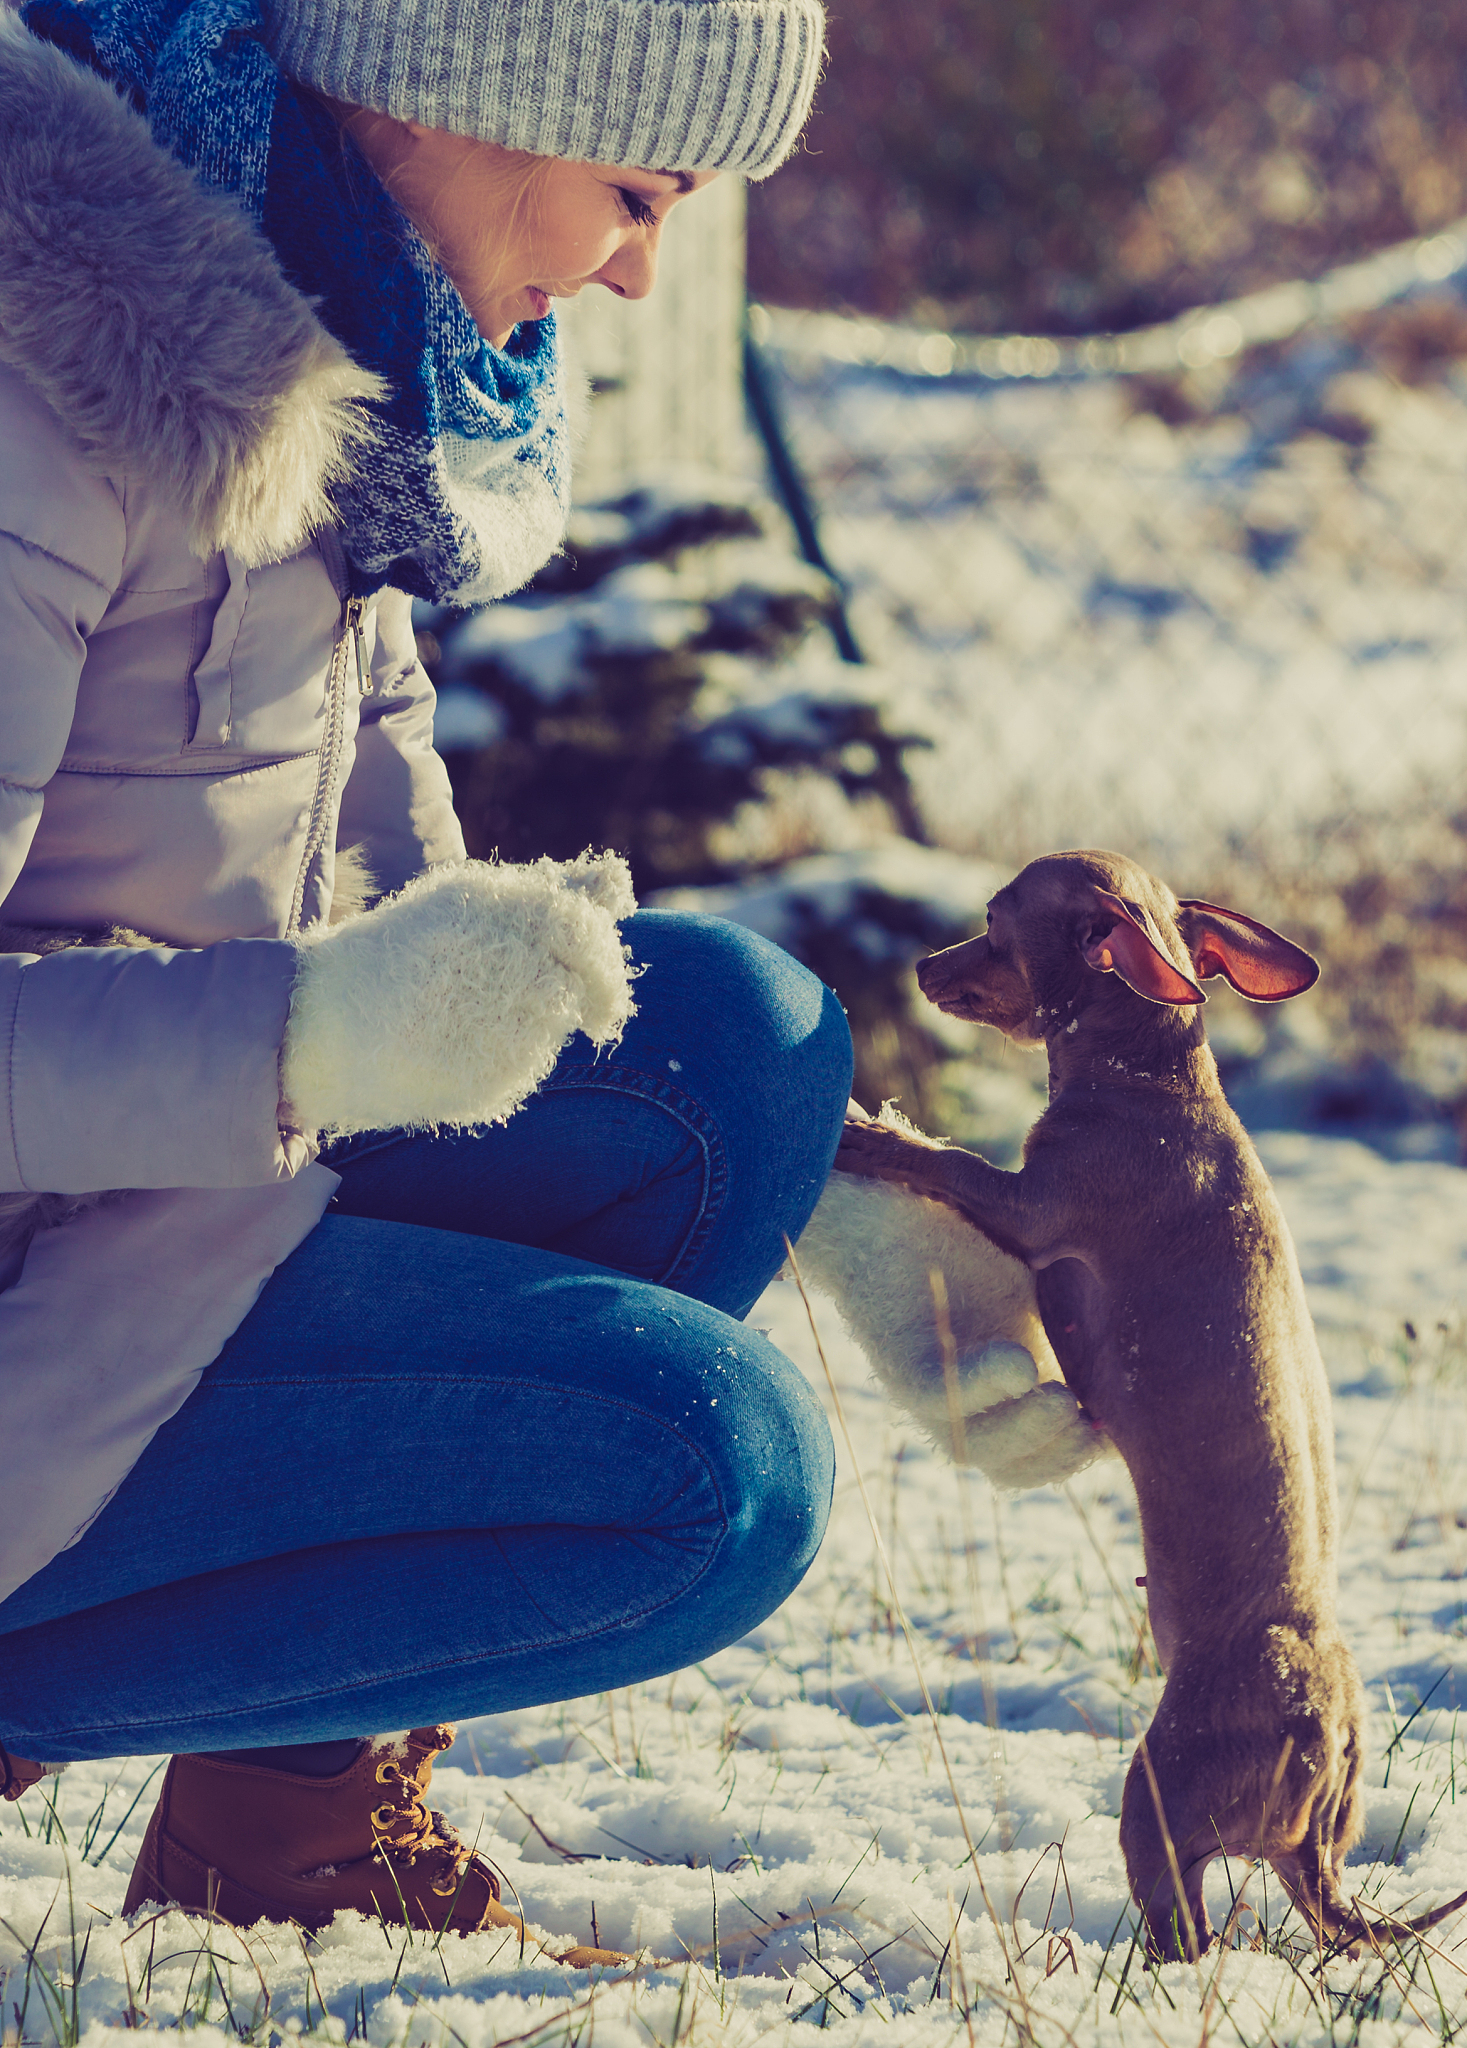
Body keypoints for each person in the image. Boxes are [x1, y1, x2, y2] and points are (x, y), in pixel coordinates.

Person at [0, 0, 846, 1960]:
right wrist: (310, 1039)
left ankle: (281, 1820)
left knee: (735, 1052)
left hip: (152, 1194)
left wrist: (889, 1197)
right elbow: (333, 1008)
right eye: (639, 196)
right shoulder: (49, 377)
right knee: (707, 1463)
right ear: (470, 84)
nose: (638, 270)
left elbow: (390, 873)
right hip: (51, 1269)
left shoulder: (310, 329)